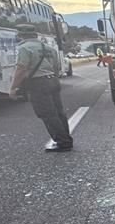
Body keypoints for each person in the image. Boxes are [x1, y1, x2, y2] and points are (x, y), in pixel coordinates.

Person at [9, 24, 73, 152]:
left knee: (47, 113)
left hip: (38, 83)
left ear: (20, 35)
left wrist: (13, 87)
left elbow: (21, 68)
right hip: (53, 80)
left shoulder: (24, 48)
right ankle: (66, 139)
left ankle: (63, 142)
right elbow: (56, 67)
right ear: (35, 35)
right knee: (59, 112)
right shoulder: (48, 48)